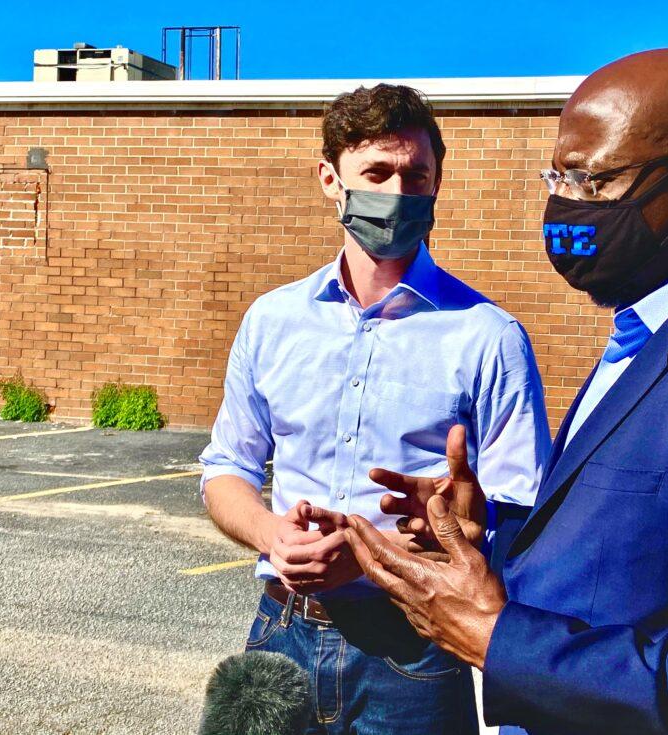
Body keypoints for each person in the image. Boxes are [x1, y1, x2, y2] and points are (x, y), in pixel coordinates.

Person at [342, 50, 668, 735]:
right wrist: (492, 536)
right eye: (558, 176)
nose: (564, 205)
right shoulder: (653, 325)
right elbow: (638, 559)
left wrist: (500, 641)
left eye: (592, 181)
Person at [198, 83, 550, 735]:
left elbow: (523, 517)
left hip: (412, 650)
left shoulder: (488, 336)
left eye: (415, 175)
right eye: (376, 173)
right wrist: (273, 534)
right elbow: (226, 470)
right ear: (331, 180)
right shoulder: (273, 321)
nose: (396, 192)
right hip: (280, 633)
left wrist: (374, 552)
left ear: (437, 184)